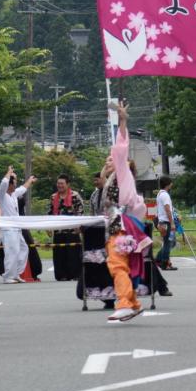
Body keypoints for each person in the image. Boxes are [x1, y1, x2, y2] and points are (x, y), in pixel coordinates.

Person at [101, 102, 150, 323]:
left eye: (111, 159)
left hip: (121, 224)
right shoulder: (115, 179)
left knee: (117, 263)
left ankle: (123, 303)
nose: (109, 160)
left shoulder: (123, 171)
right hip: (119, 223)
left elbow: (120, 148)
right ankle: (132, 302)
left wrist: (122, 121)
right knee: (121, 263)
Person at [78, 171, 117, 309]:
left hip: (110, 230)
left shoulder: (112, 192)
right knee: (94, 263)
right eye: (94, 181)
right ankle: (103, 296)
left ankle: (112, 297)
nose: (96, 183)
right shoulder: (94, 195)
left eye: (98, 180)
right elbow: (92, 213)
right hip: (96, 231)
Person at [0, 166, 35, 283]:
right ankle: (8, 276)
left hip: (16, 228)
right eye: (15, 181)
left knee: (23, 249)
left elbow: (23, 188)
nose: (16, 184)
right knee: (11, 252)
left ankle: (15, 273)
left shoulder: (13, 194)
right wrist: (8, 173)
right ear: (10, 184)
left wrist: (30, 180)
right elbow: (3, 184)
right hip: (8, 229)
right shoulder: (1, 194)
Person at [49, 174, 83, 281]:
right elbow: (50, 213)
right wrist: (48, 227)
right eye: (58, 183)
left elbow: (80, 211)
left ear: (68, 184)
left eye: (62, 183)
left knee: (73, 254)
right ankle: (61, 275)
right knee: (59, 254)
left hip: (72, 230)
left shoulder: (75, 195)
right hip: (58, 230)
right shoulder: (53, 197)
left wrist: (79, 226)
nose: (60, 186)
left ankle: (75, 275)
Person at [154, 176, 177, 270]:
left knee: (170, 242)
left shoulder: (160, 194)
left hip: (162, 222)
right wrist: (172, 223)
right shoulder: (165, 195)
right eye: (171, 182)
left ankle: (159, 259)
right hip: (166, 222)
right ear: (168, 184)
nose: (172, 184)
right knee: (169, 242)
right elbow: (168, 209)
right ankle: (164, 263)